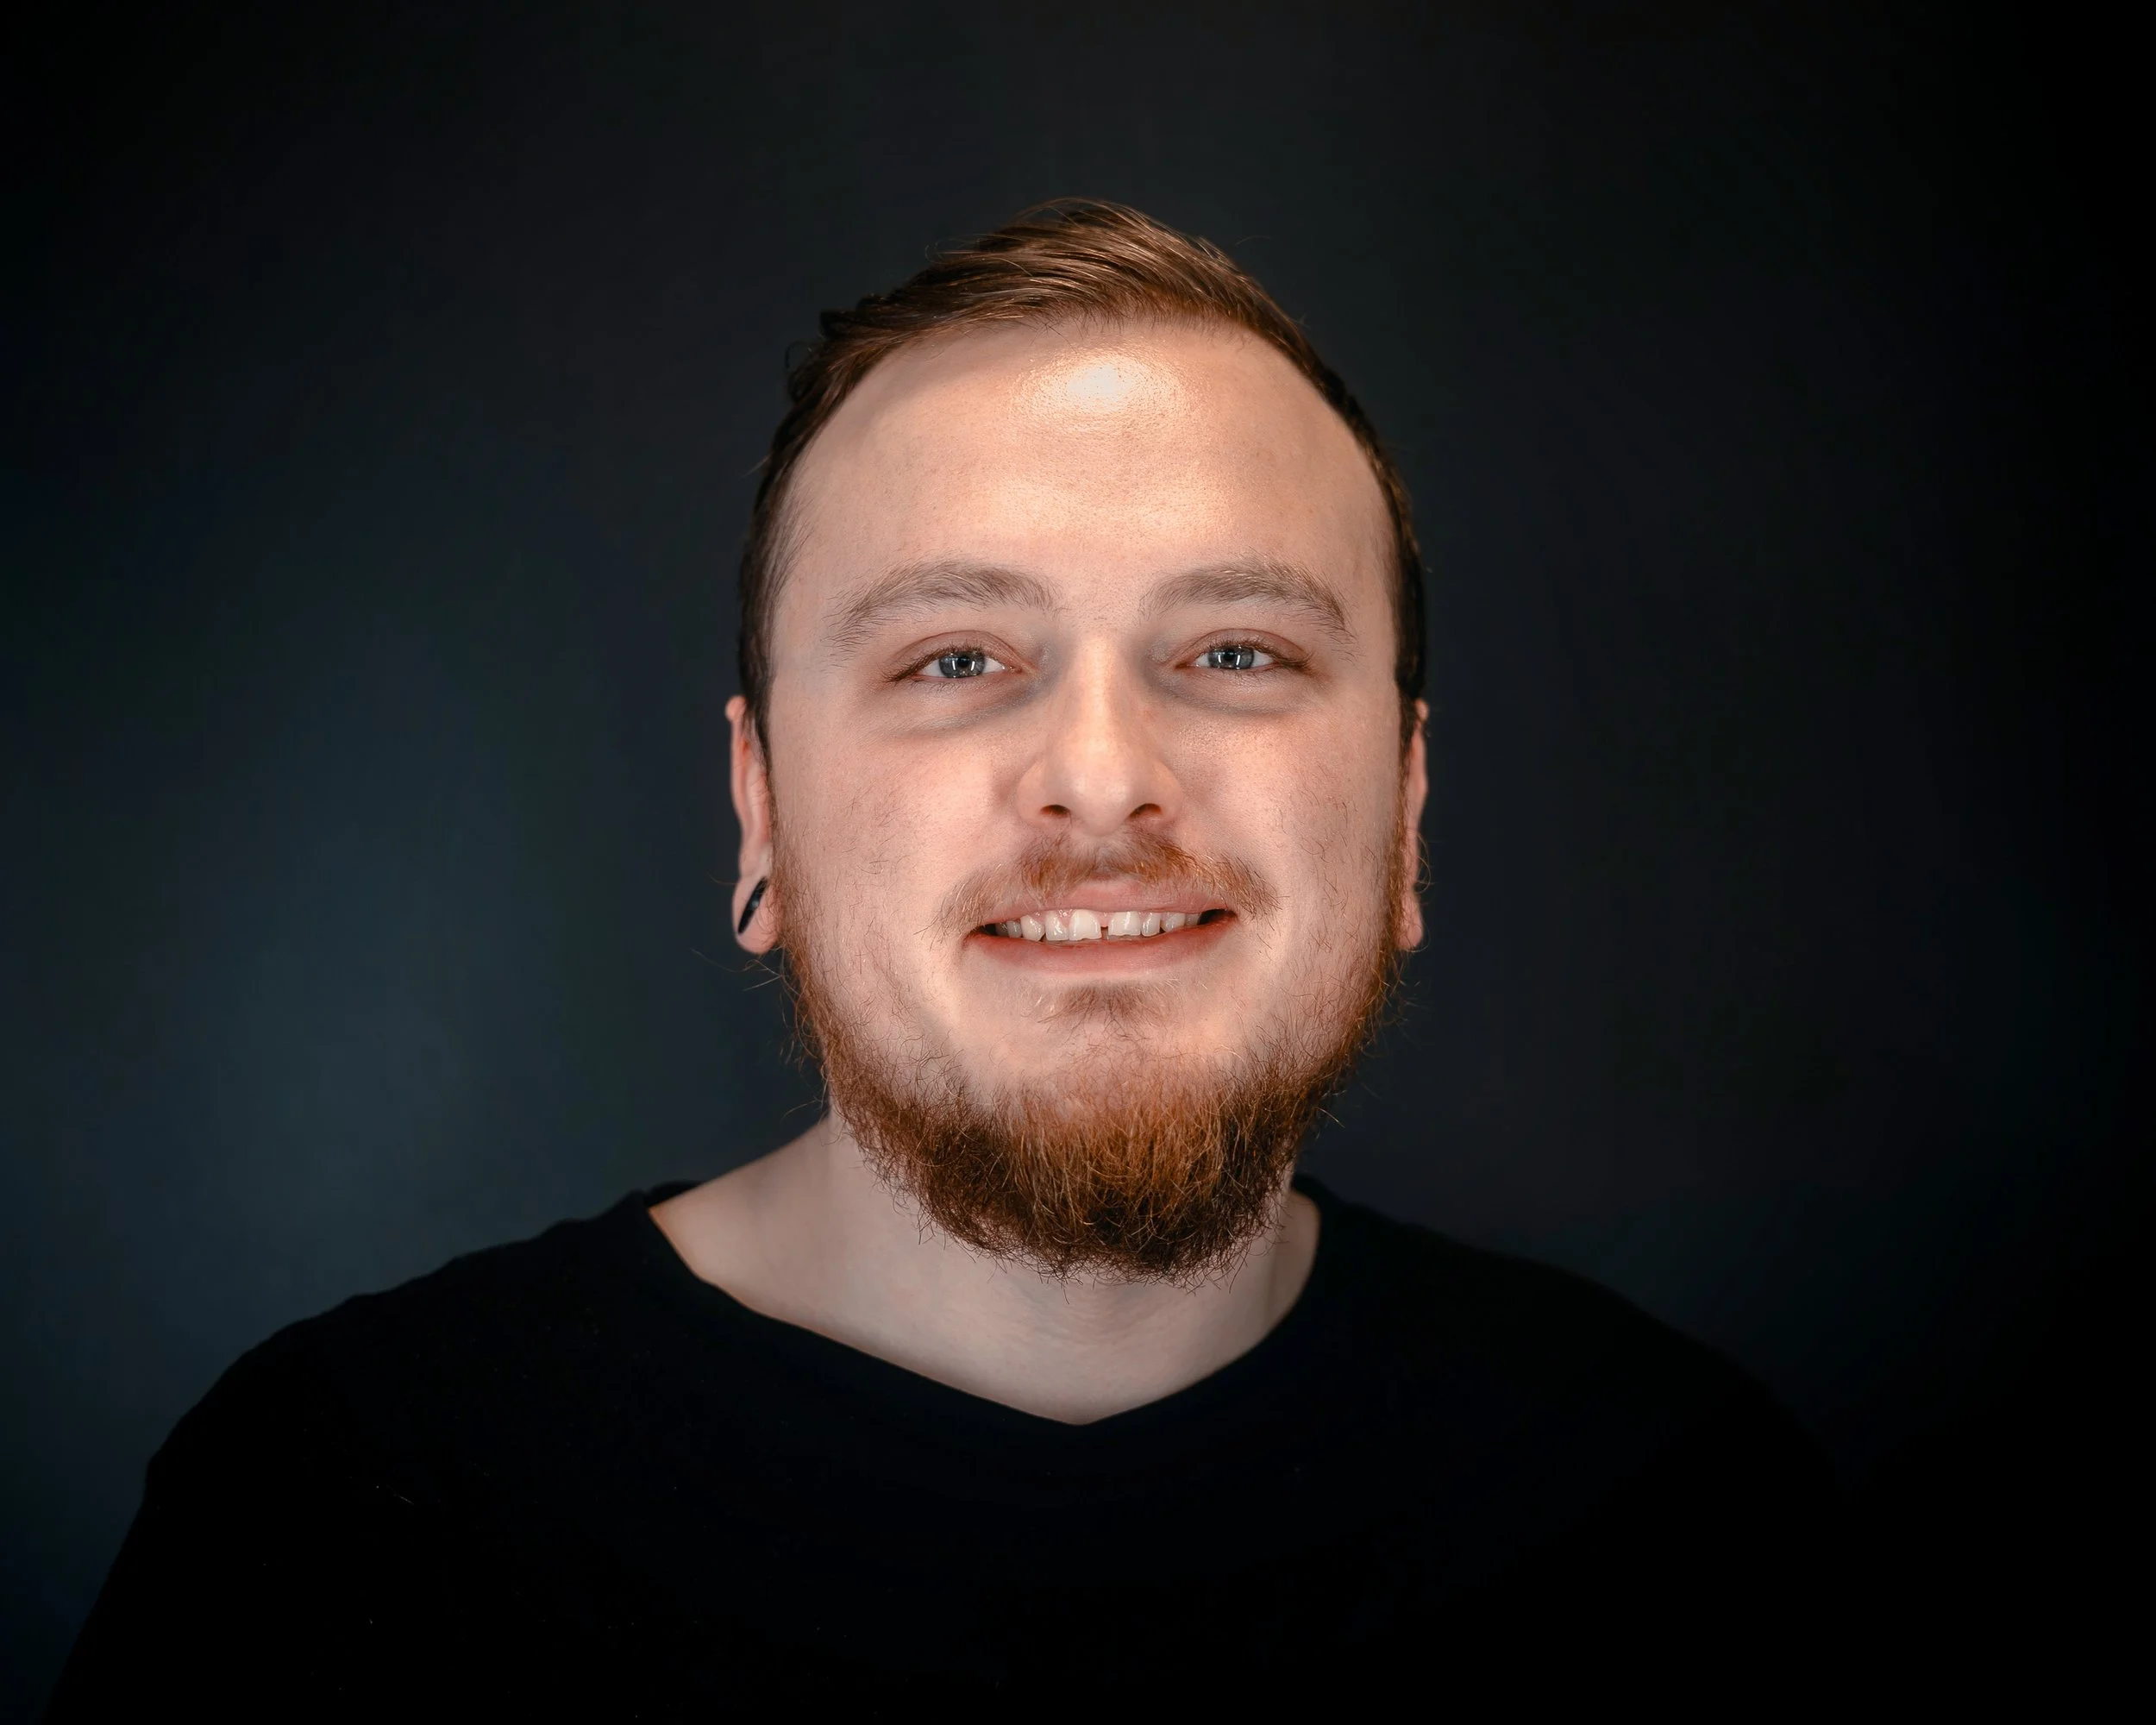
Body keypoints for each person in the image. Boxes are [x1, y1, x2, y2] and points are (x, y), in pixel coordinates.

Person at [50, 203, 1832, 1715]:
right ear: (759, 812)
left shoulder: (1667, 1508)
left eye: (1232, 651)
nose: (1103, 778)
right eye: (955, 659)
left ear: (1406, 805)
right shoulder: (343, 1518)